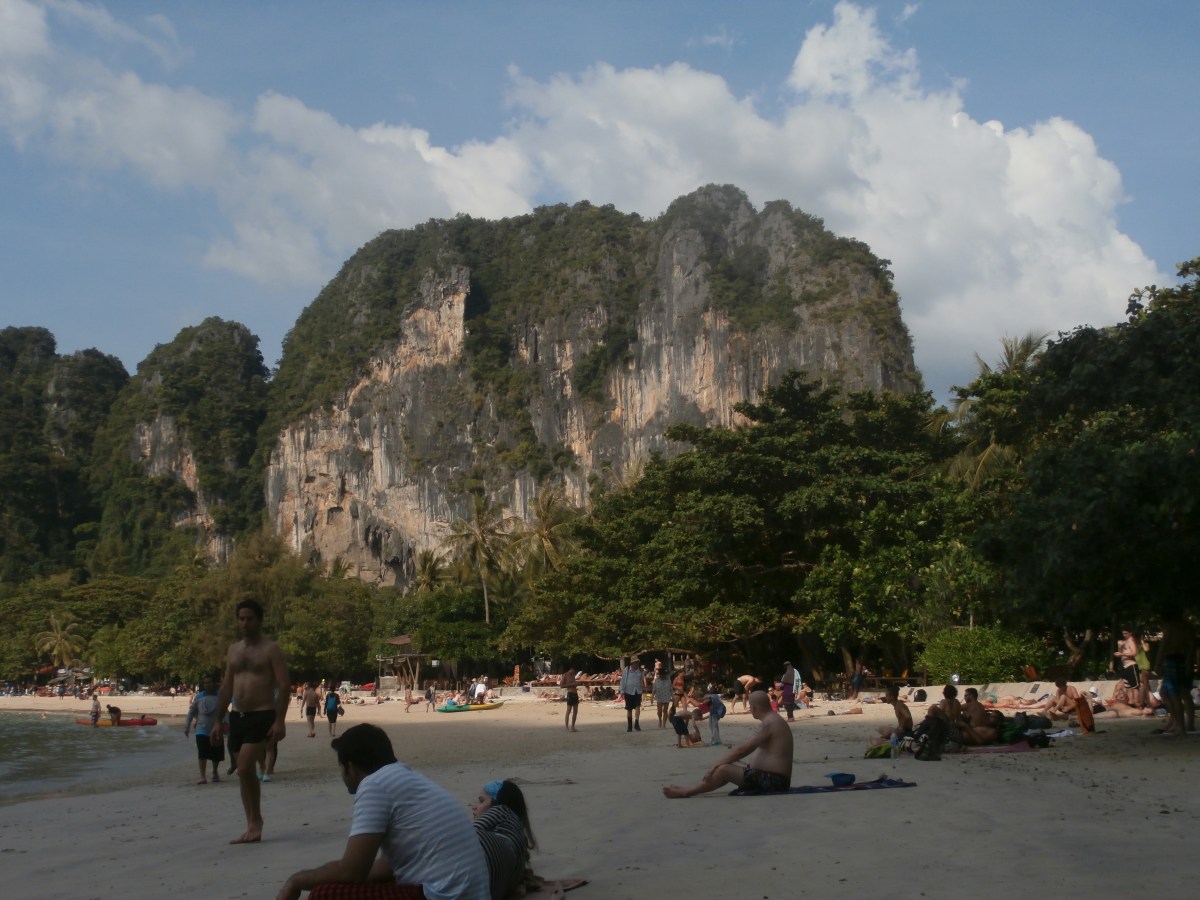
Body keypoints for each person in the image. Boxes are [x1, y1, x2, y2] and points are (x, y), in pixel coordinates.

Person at [275, 724, 489, 900]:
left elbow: (353, 871)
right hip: (468, 892)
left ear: (350, 767)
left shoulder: (375, 785)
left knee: (325, 894)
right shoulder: (407, 779)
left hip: (442, 894)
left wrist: (297, 880)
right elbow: (386, 868)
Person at [214, 597, 290, 845]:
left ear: (259, 620)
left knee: (246, 767)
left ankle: (256, 821)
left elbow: (284, 685)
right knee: (241, 773)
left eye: (249, 619)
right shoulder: (233, 650)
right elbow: (227, 685)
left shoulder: (271, 649)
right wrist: (218, 719)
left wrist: (280, 720)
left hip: (262, 714)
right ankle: (250, 823)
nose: (244, 623)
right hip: (238, 716)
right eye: (241, 619)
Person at [663, 691, 793, 798]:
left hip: (773, 781)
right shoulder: (772, 719)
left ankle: (687, 792)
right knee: (728, 764)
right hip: (769, 777)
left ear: (753, 708)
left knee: (723, 769)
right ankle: (692, 788)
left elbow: (743, 750)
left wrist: (714, 766)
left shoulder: (769, 723)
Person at [472, 779, 537, 900]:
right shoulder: (518, 839)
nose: (474, 807)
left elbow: (464, 836)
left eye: (481, 801)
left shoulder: (501, 810)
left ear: (497, 803)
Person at [1156, 613, 1196, 736]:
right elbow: (1192, 645)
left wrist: (1157, 663)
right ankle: (1183, 724)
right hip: (1182, 659)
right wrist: (1189, 661)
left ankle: (1180, 726)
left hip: (1172, 659)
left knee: (1172, 693)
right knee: (1181, 692)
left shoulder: (1170, 627)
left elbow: (1164, 645)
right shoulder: (1185, 627)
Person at [185, 674, 225, 784]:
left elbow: (225, 711)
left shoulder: (221, 696)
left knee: (216, 753)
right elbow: (191, 712)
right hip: (201, 728)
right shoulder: (199, 697)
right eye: (205, 683)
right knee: (202, 752)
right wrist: (187, 726)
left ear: (214, 683)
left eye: (209, 682)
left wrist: (228, 727)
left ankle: (214, 772)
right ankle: (202, 776)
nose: (207, 684)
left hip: (216, 728)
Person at [620, 655, 645, 732]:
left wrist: (642, 687)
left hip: (637, 691)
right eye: (635, 663)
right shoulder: (626, 670)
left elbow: (641, 680)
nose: (636, 664)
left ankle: (636, 723)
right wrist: (622, 691)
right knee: (629, 709)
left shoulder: (640, 671)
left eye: (637, 663)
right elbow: (623, 681)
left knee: (638, 707)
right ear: (632, 663)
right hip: (628, 691)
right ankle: (629, 726)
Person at [651, 662, 673, 729]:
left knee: (665, 710)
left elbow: (670, 688)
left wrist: (673, 696)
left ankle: (664, 724)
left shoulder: (668, 679)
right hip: (659, 696)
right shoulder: (656, 680)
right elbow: (654, 689)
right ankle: (660, 720)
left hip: (666, 696)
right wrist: (652, 697)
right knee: (659, 711)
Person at [560, 667, 580, 732]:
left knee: (575, 711)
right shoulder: (565, 675)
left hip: (575, 693)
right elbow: (561, 685)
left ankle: (573, 727)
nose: (574, 673)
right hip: (570, 693)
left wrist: (575, 684)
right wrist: (571, 684)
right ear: (571, 669)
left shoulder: (573, 675)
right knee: (568, 710)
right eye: (573, 671)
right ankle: (566, 727)